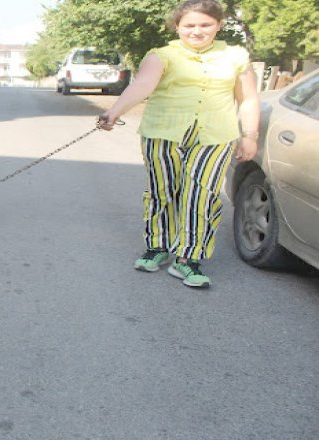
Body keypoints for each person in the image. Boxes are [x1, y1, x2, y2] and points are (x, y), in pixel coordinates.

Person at [97, 0, 260, 288]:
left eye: (205, 24)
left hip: (215, 136)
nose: (197, 31)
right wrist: (114, 112)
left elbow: (247, 98)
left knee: (202, 195)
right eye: (189, 25)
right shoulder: (162, 55)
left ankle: (188, 258)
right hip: (163, 132)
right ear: (177, 26)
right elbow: (142, 86)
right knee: (163, 192)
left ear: (219, 25)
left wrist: (250, 135)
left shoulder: (236, 56)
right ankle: (157, 247)